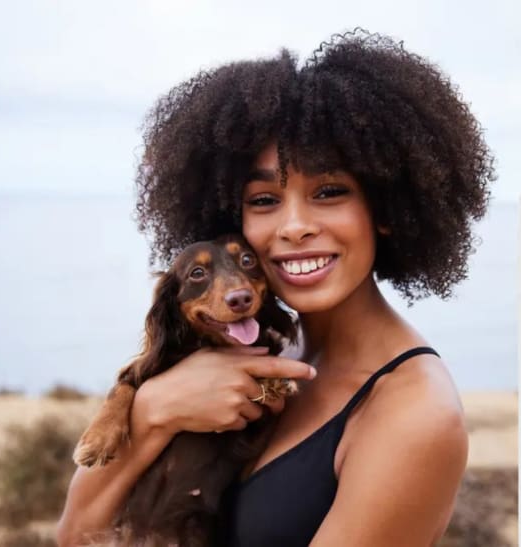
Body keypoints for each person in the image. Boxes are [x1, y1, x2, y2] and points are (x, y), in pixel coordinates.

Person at [57, 30, 494, 546]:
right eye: (263, 199)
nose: (293, 227)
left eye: (329, 192)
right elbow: (76, 534)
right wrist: (152, 412)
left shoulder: (415, 416)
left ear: (388, 210)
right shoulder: (260, 345)